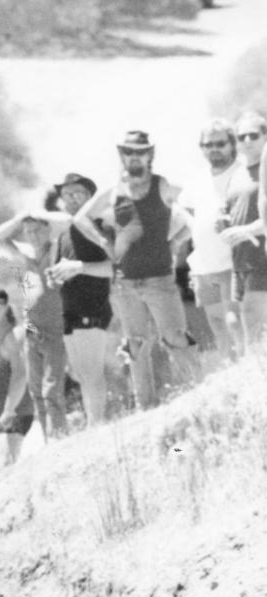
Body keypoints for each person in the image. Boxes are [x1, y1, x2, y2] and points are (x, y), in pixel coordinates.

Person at [73, 130, 201, 410]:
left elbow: (189, 214)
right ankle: (147, 407)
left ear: (149, 154)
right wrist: (104, 242)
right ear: (122, 155)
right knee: (136, 344)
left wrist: (175, 241)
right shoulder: (114, 191)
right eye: (128, 151)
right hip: (124, 284)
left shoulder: (162, 185)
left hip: (160, 279)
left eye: (139, 151)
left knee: (176, 337)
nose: (134, 156)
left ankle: (194, 399)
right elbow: (82, 219)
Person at [0, 208, 69, 439]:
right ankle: (49, 438)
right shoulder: (24, 256)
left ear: (47, 230)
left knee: (52, 388)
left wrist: (38, 214)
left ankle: (59, 437)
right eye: (28, 231)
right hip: (32, 331)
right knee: (36, 391)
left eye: (37, 230)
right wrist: (17, 219)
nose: (32, 235)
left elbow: (68, 224)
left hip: (55, 329)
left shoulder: (57, 250)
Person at [46, 172, 117, 426]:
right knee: (81, 373)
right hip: (70, 311)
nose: (71, 198)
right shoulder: (64, 234)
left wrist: (79, 267)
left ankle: (96, 425)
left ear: (90, 198)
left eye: (78, 193)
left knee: (92, 372)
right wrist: (55, 276)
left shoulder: (101, 227)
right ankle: (93, 423)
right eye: (66, 194)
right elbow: (62, 268)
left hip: (93, 307)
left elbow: (115, 268)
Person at [179, 119, 246, 366]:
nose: (214, 149)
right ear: (202, 148)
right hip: (203, 264)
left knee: (234, 320)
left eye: (220, 144)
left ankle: (248, 369)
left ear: (232, 144)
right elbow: (183, 210)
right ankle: (231, 371)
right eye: (208, 145)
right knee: (217, 323)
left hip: (233, 260)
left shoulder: (242, 173)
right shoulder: (197, 179)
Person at [223, 111, 267, 348]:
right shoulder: (237, 173)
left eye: (254, 135)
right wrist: (223, 221)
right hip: (241, 261)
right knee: (241, 324)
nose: (247, 141)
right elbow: (231, 209)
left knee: (253, 319)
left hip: (262, 257)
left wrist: (246, 230)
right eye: (242, 137)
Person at [0, 288, 33, 469]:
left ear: (7, 307)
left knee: (5, 469)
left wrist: (9, 411)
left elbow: (20, 374)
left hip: (13, 414)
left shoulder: (13, 335)